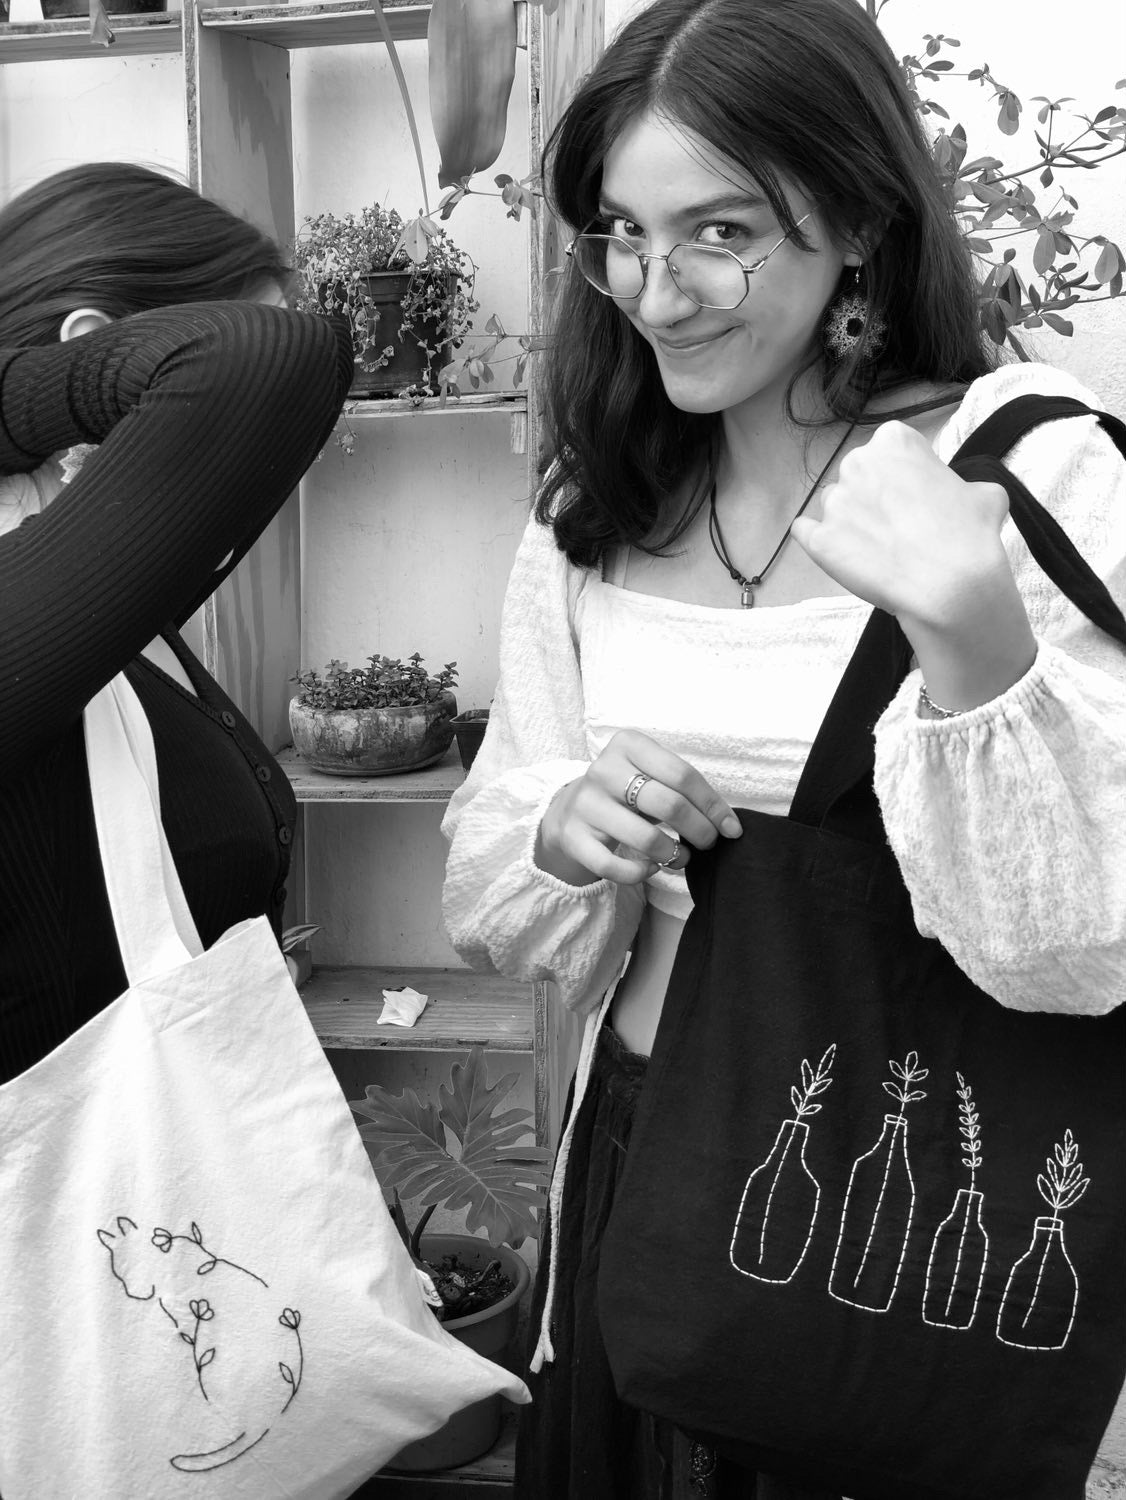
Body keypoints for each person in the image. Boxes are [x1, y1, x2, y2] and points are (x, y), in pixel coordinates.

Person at [439, 0, 1126, 1495]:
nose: (657, 291)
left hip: (915, 1210)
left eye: (721, 231)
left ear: (860, 220)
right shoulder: (593, 521)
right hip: (644, 1163)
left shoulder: (1035, 472)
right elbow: (492, 890)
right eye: (619, 233)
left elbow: (1079, 954)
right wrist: (565, 828)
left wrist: (973, 644)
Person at [0, 162, 353, 1086]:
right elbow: (269, 358)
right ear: (96, 354)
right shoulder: (29, 600)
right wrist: (29, 394)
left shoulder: (84, 598)